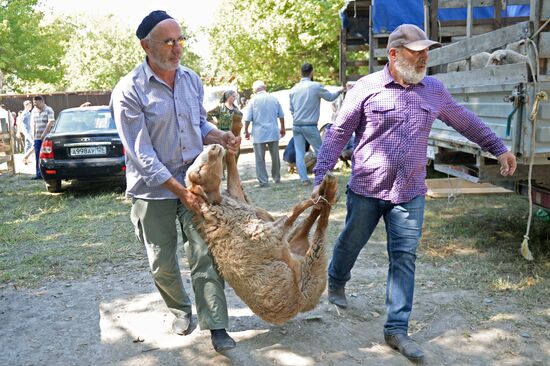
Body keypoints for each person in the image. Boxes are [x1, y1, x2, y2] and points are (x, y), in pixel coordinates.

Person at [312, 24, 517, 362]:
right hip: (366, 187)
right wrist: (322, 174)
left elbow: (463, 120)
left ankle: (396, 329)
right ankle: (336, 279)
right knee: (352, 240)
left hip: (410, 192)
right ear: (393, 54)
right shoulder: (366, 88)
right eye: (416, 52)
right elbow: (338, 133)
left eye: (426, 52)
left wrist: (498, 147)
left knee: (404, 257)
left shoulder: (433, 90)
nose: (424, 58)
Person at [109, 10, 241, 353]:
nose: (176, 48)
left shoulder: (191, 80)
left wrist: (219, 135)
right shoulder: (129, 90)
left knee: (205, 254)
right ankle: (179, 309)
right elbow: (141, 154)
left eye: (180, 39)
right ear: (145, 45)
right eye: (168, 41)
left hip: (195, 184)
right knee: (161, 261)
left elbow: (197, 124)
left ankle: (216, 325)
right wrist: (179, 191)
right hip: (152, 191)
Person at [289, 63, 344, 185]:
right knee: (321, 150)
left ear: (301, 73)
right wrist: (341, 90)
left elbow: (291, 109)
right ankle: (323, 175)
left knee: (299, 152)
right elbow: (330, 97)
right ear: (312, 72)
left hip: (296, 125)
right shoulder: (315, 86)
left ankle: (304, 179)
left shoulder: (293, 89)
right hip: (310, 125)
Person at [244, 80, 285, 187]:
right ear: (265, 87)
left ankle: (263, 181)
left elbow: (248, 118)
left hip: (259, 134)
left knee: (259, 158)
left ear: (255, 90)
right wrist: (283, 128)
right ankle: (276, 177)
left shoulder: (253, 101)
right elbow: (281, 115)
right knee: (275, 157)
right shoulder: (274, 98)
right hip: (273, 131)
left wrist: (246, 131)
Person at [207, 89, 243, 168]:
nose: (235, 98)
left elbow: (239, 121)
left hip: (234, 134)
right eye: (233, 96)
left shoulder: (236, 109)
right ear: (228, 97)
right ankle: (221, 171)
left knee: (234, 153)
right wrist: (215, 123)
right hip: (223, 133)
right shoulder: (220, 108)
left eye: (235, 96)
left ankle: (232, 170)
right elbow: (207, 115)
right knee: (222, 153)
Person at [29, 96, 55, 179]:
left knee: (47, 156)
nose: (34, 105)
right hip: (37, 137)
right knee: (37, 156)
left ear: (41, 101)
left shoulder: (49, 109)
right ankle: (38, 174)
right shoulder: (34, 111)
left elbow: (51, 121)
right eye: (34, 103)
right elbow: (33, 123)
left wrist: (44, 133)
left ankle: (47, 173)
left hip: (46, 138)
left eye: (36, 103)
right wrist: (33, 134)